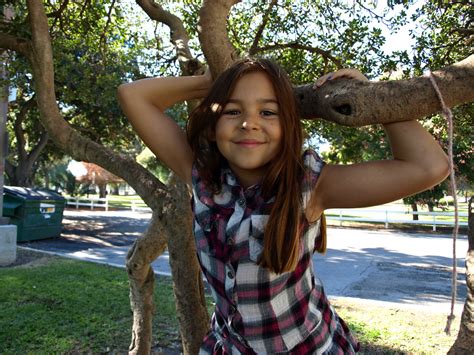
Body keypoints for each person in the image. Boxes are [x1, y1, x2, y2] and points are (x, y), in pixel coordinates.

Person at [118, 59, 449, 354]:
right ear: (214, 124)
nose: (249, 123)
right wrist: (212, 80)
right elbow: (133, 95)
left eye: (268, 112)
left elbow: (429, 167)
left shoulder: (310, 185)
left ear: (288, 125)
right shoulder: (204, 177)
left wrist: (373, 96)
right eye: (233, 110)